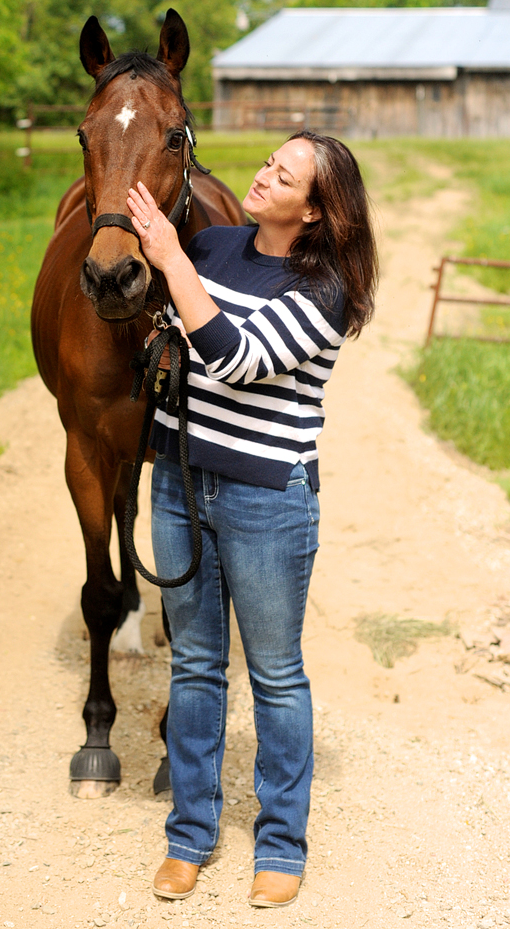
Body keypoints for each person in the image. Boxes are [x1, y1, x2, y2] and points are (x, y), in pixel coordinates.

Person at [125, 130, 377, 910]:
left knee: (274, 674)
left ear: (314, 209)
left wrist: (170, 257)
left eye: (285, 173)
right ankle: (189, 837)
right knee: (195, 664)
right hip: (180, 482)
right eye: (270, 161)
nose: (264, 174)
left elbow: (233, 356)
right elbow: (169, 327)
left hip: (268, 500)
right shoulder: (217, 245)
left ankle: (280, 845)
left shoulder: (325, 288)